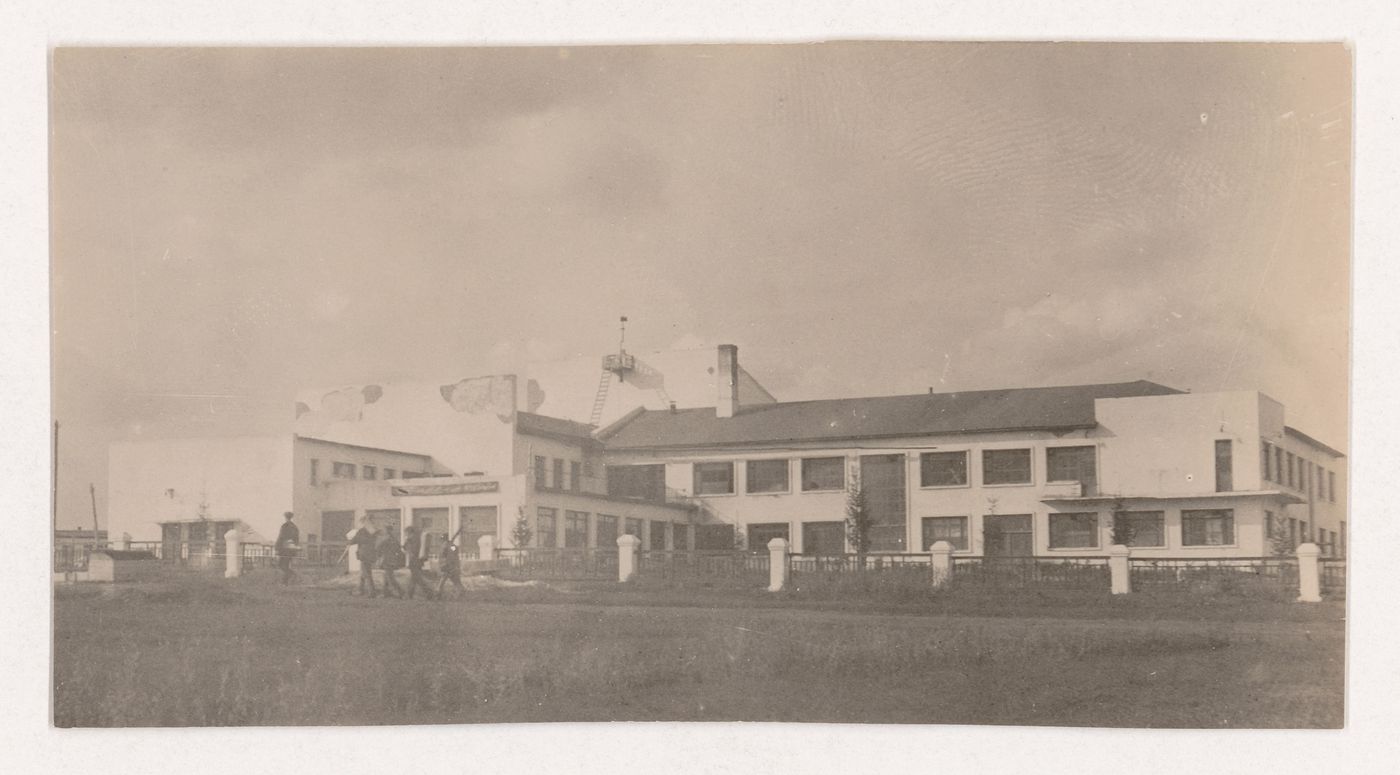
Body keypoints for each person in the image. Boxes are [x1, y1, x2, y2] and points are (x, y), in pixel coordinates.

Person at [349, 520, 381, 598]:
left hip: (364, 554)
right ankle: (360, 589)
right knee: (363, 573)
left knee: (367, 573)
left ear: (363, 523)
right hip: (371, 554)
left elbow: (354, 540)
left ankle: (372, 592)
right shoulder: (373, 531)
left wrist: (349, 540)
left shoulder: (362, 531)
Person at [403, 525, 434, 600]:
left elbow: (409, 549)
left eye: (406, 533)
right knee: (414, 579)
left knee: (418, 579)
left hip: (414, 562)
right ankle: (409, 594)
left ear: (410, 532)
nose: (406, 535)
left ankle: (429, 593)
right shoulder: (416, 539)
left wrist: (407, 541)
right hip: (418, 562)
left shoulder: (412, 540)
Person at [436, 533, 466, 600]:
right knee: (455, 581)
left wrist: (443, 565)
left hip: (446, 566)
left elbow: (444, 556)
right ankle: (461, 591)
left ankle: (438, 594)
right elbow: (455, 551)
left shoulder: (444, 546)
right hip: (452, 566)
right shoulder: (451, 546)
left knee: (442, 581)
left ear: (443, 539)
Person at [378, 529, 406, 599]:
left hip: (386, 560)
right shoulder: (395, 540)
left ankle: (401, 592)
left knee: (390, 578)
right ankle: (385, 593)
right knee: (386, 577)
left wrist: (379, 556)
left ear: (386, 533)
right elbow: (399, 550)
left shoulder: (385, 541)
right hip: (393, 560)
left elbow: (378, 548)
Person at [275, 511, 300, 585]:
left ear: (285, 517)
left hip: (285, 549)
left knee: (281, 565)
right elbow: (297, 539)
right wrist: (294, 548)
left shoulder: (284, 526)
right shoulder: (295, 527)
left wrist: (277, 547)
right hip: (291, 549)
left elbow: (281, 537)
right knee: (285, 564)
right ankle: (286, 581)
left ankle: (290, 575)